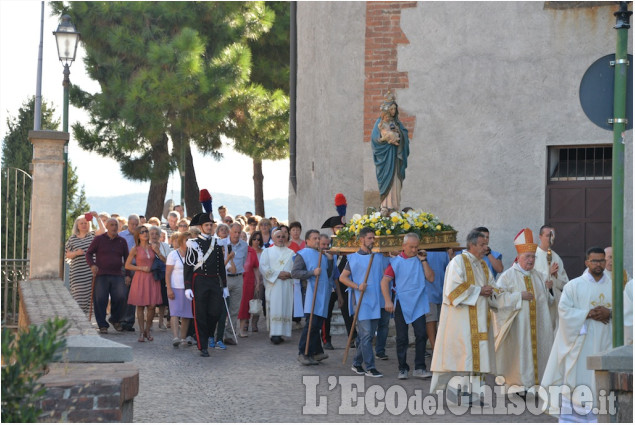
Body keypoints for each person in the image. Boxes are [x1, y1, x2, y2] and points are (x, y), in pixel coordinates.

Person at [540, 247, 613, 422]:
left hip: (607, 342)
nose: (598, 264)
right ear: (587, 262)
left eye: (601, 260)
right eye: (594, 261)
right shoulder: (574, 285)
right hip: (581, 344)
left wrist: (610, 313)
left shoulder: (615, 286)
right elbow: (564, 311)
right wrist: (587, 314)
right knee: (578, 381)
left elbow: (626, 310)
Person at [430, 229, 497, 398]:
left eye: (486, 244)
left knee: (476, 357)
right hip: (460, 323)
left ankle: (473, 394)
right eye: (482, 245)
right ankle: (450, 394)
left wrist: (498, 293)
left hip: (480, 321)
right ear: (471, 245)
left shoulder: (482, 265)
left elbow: (493, 286)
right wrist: (479, 291)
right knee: (458, 358)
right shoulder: (458, 262)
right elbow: (452, 291)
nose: (485, 248)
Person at [492, 228, 554, 394]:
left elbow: (548, 302)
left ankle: (538, 385)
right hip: (518, 329)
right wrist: (519, 296)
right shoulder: (507, 276)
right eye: (527, 256)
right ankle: (518, 386)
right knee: (521, 356)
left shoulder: (539, 276)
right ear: (518, 258)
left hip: (538, 327)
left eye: (533, 257)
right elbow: (497, 300)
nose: (531, 260)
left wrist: (550, 290)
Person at [381, 233, 434, 380]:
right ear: (404, 246)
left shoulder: (420, 259)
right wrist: (388, 301)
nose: (414, 250)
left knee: (421, 334)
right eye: (411, 247)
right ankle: (402, 368)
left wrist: (423, 261)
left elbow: (431, 278)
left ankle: (420, 367)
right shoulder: (395, 262)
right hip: (402, 302)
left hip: (419, 302)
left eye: (416, 247)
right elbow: (384, 282)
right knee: (402, 337)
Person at [339, 227, 390, 378]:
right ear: (361, 239)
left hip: (376, 301)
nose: (372, 241)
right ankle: (370, 367)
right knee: (367, 335)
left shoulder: (379, 257)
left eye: (373, 238)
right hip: (361, 302)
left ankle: (356, 363)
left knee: (364, 336)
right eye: (369, 238)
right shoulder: (353, 258)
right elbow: (343, 278)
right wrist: (357, 286)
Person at [184, 196, 228, 357]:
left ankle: (205, 334)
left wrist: (224, 285)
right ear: (201, 227)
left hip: (214, 281)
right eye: (207, 225)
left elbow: (221, 266)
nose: (210, 227)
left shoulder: (217, 243)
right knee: (200, 313)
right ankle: (203, 346)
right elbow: (188, 266)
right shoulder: (193, 243)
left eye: (211, 225)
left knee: (215, 312)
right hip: (199, 280)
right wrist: (188, 286)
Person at [292, 230, 334, 365]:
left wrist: (331, 261)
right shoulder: (303, 254)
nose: (317, 241)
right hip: (310, 292)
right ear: (307, 241)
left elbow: (327, 274)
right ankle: (303, 352)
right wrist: (311, 273)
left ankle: (316, 352)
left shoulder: (322, 255)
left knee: (316, 324)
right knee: (311, 324)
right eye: (314, 238)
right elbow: (295, 272)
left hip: (322, 293)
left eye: (318, 238)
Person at [85, 218, 131, 334]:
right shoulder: (99, 239)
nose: (114, 227)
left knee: (121, 297)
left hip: (117, 274)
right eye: (111, 225)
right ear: (107, 226)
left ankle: (115, 319)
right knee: (100, 299)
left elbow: (127, 259)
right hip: (101, 274)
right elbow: (89, 253)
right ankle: (102, 325)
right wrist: (92, 265)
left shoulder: (122, 241)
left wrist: (128, 275)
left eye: (116, 225)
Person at [370, 91, 410, 210]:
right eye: (391, 109)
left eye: (394, 109)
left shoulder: (396, 123)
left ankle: (395, 205)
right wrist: (385, 139)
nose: (393, 111)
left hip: (396, 158)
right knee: (387, 181)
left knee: (396, 181)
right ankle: (386, 206)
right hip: (386, 159)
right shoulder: (380, 124)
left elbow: (405, 134)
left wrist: (399, 134)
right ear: (386, 110)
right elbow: (375, 140)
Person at [125, 225, 163, 342]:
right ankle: (141, 332)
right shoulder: (135, 249)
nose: (145, 233)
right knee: (140, 306)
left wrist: (158, 252)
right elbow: (127, 265)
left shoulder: (154, 247)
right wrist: (140, 268)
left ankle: (147, 330)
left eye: (146, 231)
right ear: (138, 235)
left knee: (152, 306)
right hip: (140, 278)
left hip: (152, 278)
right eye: (142, 232)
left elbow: (165, 262)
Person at [259, 228, 295, 344]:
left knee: (285, 306)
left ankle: (283, 332)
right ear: (273, 238)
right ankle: (274, 334)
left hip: (286, 285)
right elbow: (263, 267)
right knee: (274, 308)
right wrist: (278, 274)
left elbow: (295, 268)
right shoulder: (267, 252)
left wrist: (289, 274)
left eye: (283, 236)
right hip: (274, 285)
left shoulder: (291, 253)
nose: (280, 238)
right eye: (278, 236)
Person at [65, 212, 105, 315]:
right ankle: (77, 317)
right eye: (81, 223)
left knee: (89, 299)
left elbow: (103, 231)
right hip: (77, 273)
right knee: (78, 297)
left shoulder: (92, 235)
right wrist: (76, 253)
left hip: (90, 272)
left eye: (86, 223)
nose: (84, 225)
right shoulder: (72, 238)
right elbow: (66, 254)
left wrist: (97, 217)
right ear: (77, 225)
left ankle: (85, 320)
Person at [534, 224, 569, 329]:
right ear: (540, 237)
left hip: (553, 302)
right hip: (538, 300)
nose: (550, 238)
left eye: (552, 236)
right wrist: (547, 273)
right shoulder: (533, 255)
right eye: (548, 235)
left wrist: (556, 276)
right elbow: (530, 275)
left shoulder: (556, 257)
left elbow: (565, 283)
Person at [166, 231, 193, 347]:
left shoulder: (193, 255)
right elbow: (167, 274)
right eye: (187, 240)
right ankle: (175, 337)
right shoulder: (173, 255)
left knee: (187, 314)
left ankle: (183, 338)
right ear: (181, 241)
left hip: (188, 288)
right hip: (175, 287)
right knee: (175, 313)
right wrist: (169, 289)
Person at [423, 249, 451, 357]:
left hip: (441, 290)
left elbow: (447, 270)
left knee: (440, 321)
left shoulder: (444, 252)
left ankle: (439, 347)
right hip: (428, 291)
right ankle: (435, 349)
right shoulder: (422, 251)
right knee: (431, 320)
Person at [222, 223, 248, 342]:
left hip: (238, 278)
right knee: (221, 308)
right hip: (224, 278)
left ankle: (230, 335)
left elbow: (243, 261)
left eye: (239, 232)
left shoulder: (244, 245)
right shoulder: (222, 243)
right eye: (234, 232)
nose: (237, 235)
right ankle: (218, 335)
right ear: (229, 232)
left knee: (234, 309)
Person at [118, 214, 141, 331]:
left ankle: (129, 322)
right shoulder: (121, 236)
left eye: (137, 224)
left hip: (137, 267)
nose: (134, 226)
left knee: (133, 295)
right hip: (123, 268)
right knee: (123, 294)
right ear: (128, 223)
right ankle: (121, 320)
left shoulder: (141, 236)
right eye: (132, 224)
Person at [238, 231, 261, 336]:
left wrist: (258, 282)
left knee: (245, 307)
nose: (242, 239)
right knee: (235, 305)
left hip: (248, 282)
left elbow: (256, 267)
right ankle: (232, 329)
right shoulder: (233, 249)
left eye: (244, 237)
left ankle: (242, 329)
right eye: (240, 237)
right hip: (237, 281)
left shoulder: (251, 251)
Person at [149, 225, 171, 330]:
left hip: (162, 275)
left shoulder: (165, 246)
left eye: (156, 234)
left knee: (162, 300)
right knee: (150, 300)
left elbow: (169, 262)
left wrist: (158, 252)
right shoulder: (145, 246)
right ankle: (150, 322)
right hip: (150, 275)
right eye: (152, 233)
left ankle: (161, 322)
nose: (154, 236)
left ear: (160, 235)